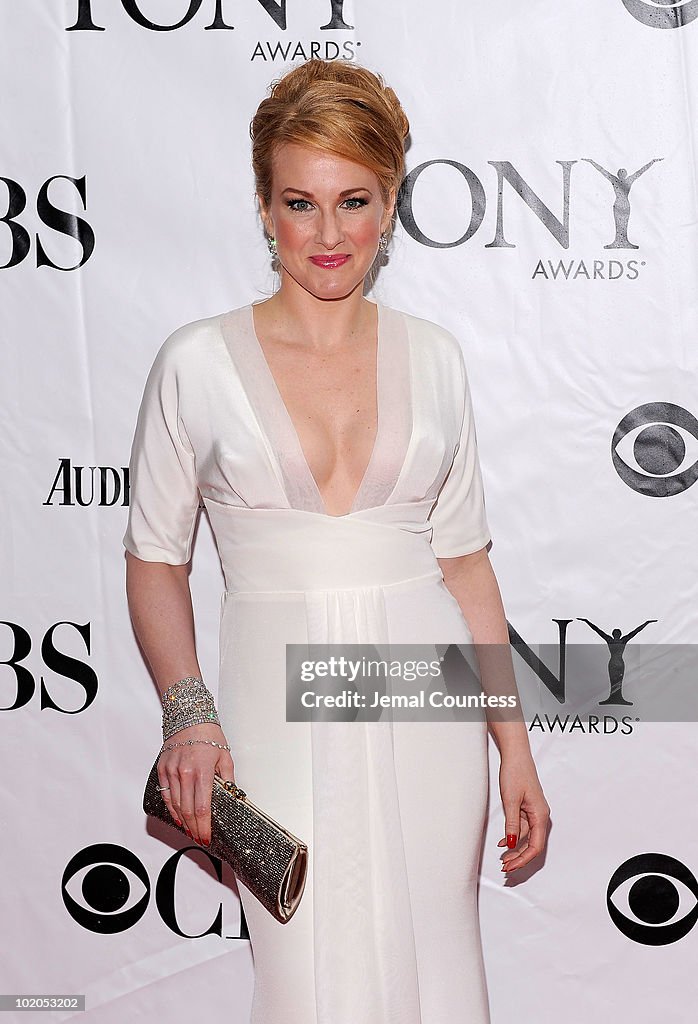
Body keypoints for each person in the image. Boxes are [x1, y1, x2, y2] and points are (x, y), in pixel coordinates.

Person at [123, 58, 550, 1024]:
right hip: (278, 701)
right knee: (306, 975)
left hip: (428, 698)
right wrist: (189, 714)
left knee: (440, 971)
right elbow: (156, 559)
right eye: (299, 202)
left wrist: (514, 748)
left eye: (353, 200)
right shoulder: (194, 361)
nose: (326, 234)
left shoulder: (435, 357)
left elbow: (465, 565)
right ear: (264, 206)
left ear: (390, 203)